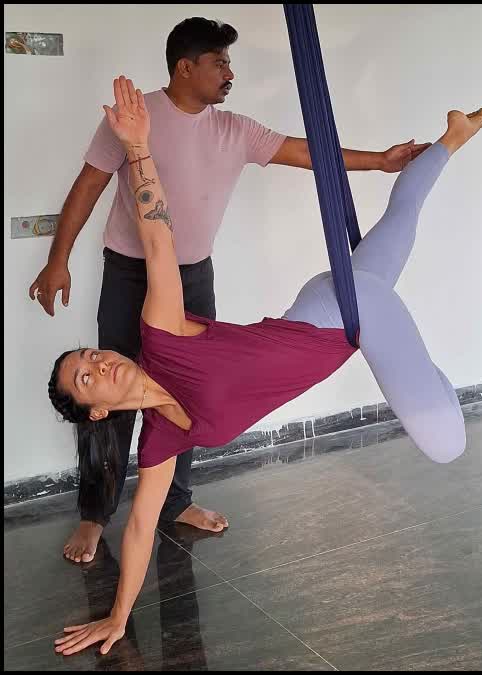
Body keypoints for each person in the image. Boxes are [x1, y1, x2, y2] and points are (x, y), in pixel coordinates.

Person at [49, 75, 482, 656]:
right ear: (96, 408)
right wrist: (117, 618)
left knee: (445, 444)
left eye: (90, 354)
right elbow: (137, 530)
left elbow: (158, 241)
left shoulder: (162, 334)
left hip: (348, 314)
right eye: (85, 378)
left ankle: (428, 374)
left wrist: (137, 146)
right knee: (402, 220)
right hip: (332, 303)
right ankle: (451, 139)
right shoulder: (160, 440)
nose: (98, 364)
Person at [29, 17, 430, 566]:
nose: (229, 73)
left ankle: (175, 500)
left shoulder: (234, 129)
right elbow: (89, 186)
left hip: (192, 275)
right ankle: (96, 515)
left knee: (187, 398)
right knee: (112, 393)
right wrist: (58, 260)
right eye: (219, 62)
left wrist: (379, 162)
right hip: (128, 271)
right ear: (184, 67)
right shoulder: (134, 120)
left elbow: (308, 152)